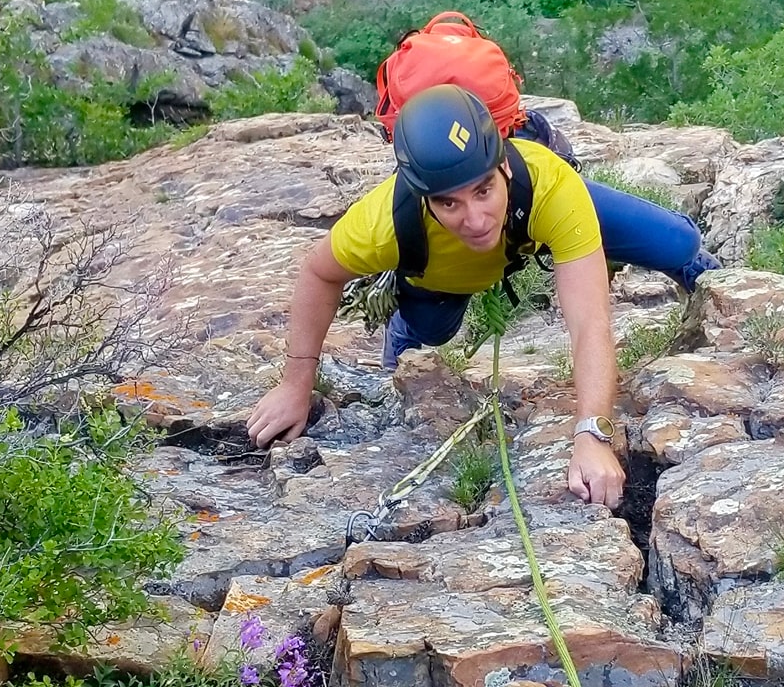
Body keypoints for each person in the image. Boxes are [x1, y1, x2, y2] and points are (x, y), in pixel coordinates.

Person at [245, 84, 720, 510]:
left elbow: (589, 323)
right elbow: (318, 273)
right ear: (422, 196)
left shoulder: (548, 183)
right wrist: (295, 385)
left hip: (531, 222)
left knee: (678, 242)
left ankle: (711, 283)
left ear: (503, 167)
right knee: (429, 332)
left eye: (483, 190)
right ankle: (404, 332)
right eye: (449, 202)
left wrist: (592, 433)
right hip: (442, 276)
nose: (474, 219)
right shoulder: (385, 223)